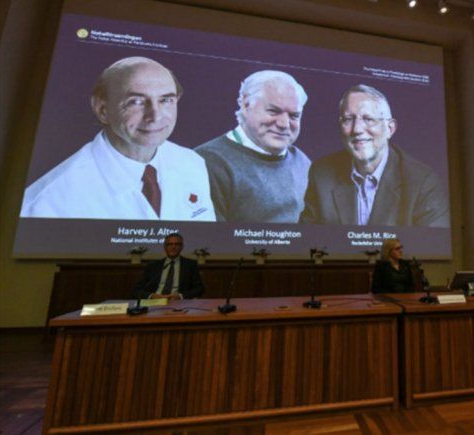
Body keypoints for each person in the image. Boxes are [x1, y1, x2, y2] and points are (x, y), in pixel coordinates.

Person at [20, 57, 215, 221]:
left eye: (166, 100)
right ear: (102, 110)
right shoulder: (47, 201)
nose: (155, 116)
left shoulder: (192, 163)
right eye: (136, 102)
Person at [300, 84, 449, 227]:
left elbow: (432, 247)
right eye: (348, 119)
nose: (357, 129)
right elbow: (309, 241)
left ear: (390, 129)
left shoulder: (422, 182)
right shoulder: (321, 173)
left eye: (368, 119)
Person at [195, 70, 311, 222]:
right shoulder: (206, 162)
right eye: (273, 111)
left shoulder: (303, 162)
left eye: (294, 115)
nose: (284, 124)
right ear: (246, 104)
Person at [132, 233, 204, 300]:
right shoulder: (153, 266)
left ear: (182, 247)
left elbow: (199, 289)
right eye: (169, 244)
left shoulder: (190, 265)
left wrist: (180, 296)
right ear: (165, 247)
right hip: (155, 301)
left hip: (179, 302)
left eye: (177, 244)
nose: (173, 247)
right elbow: (137, 290)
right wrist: (152, 296)